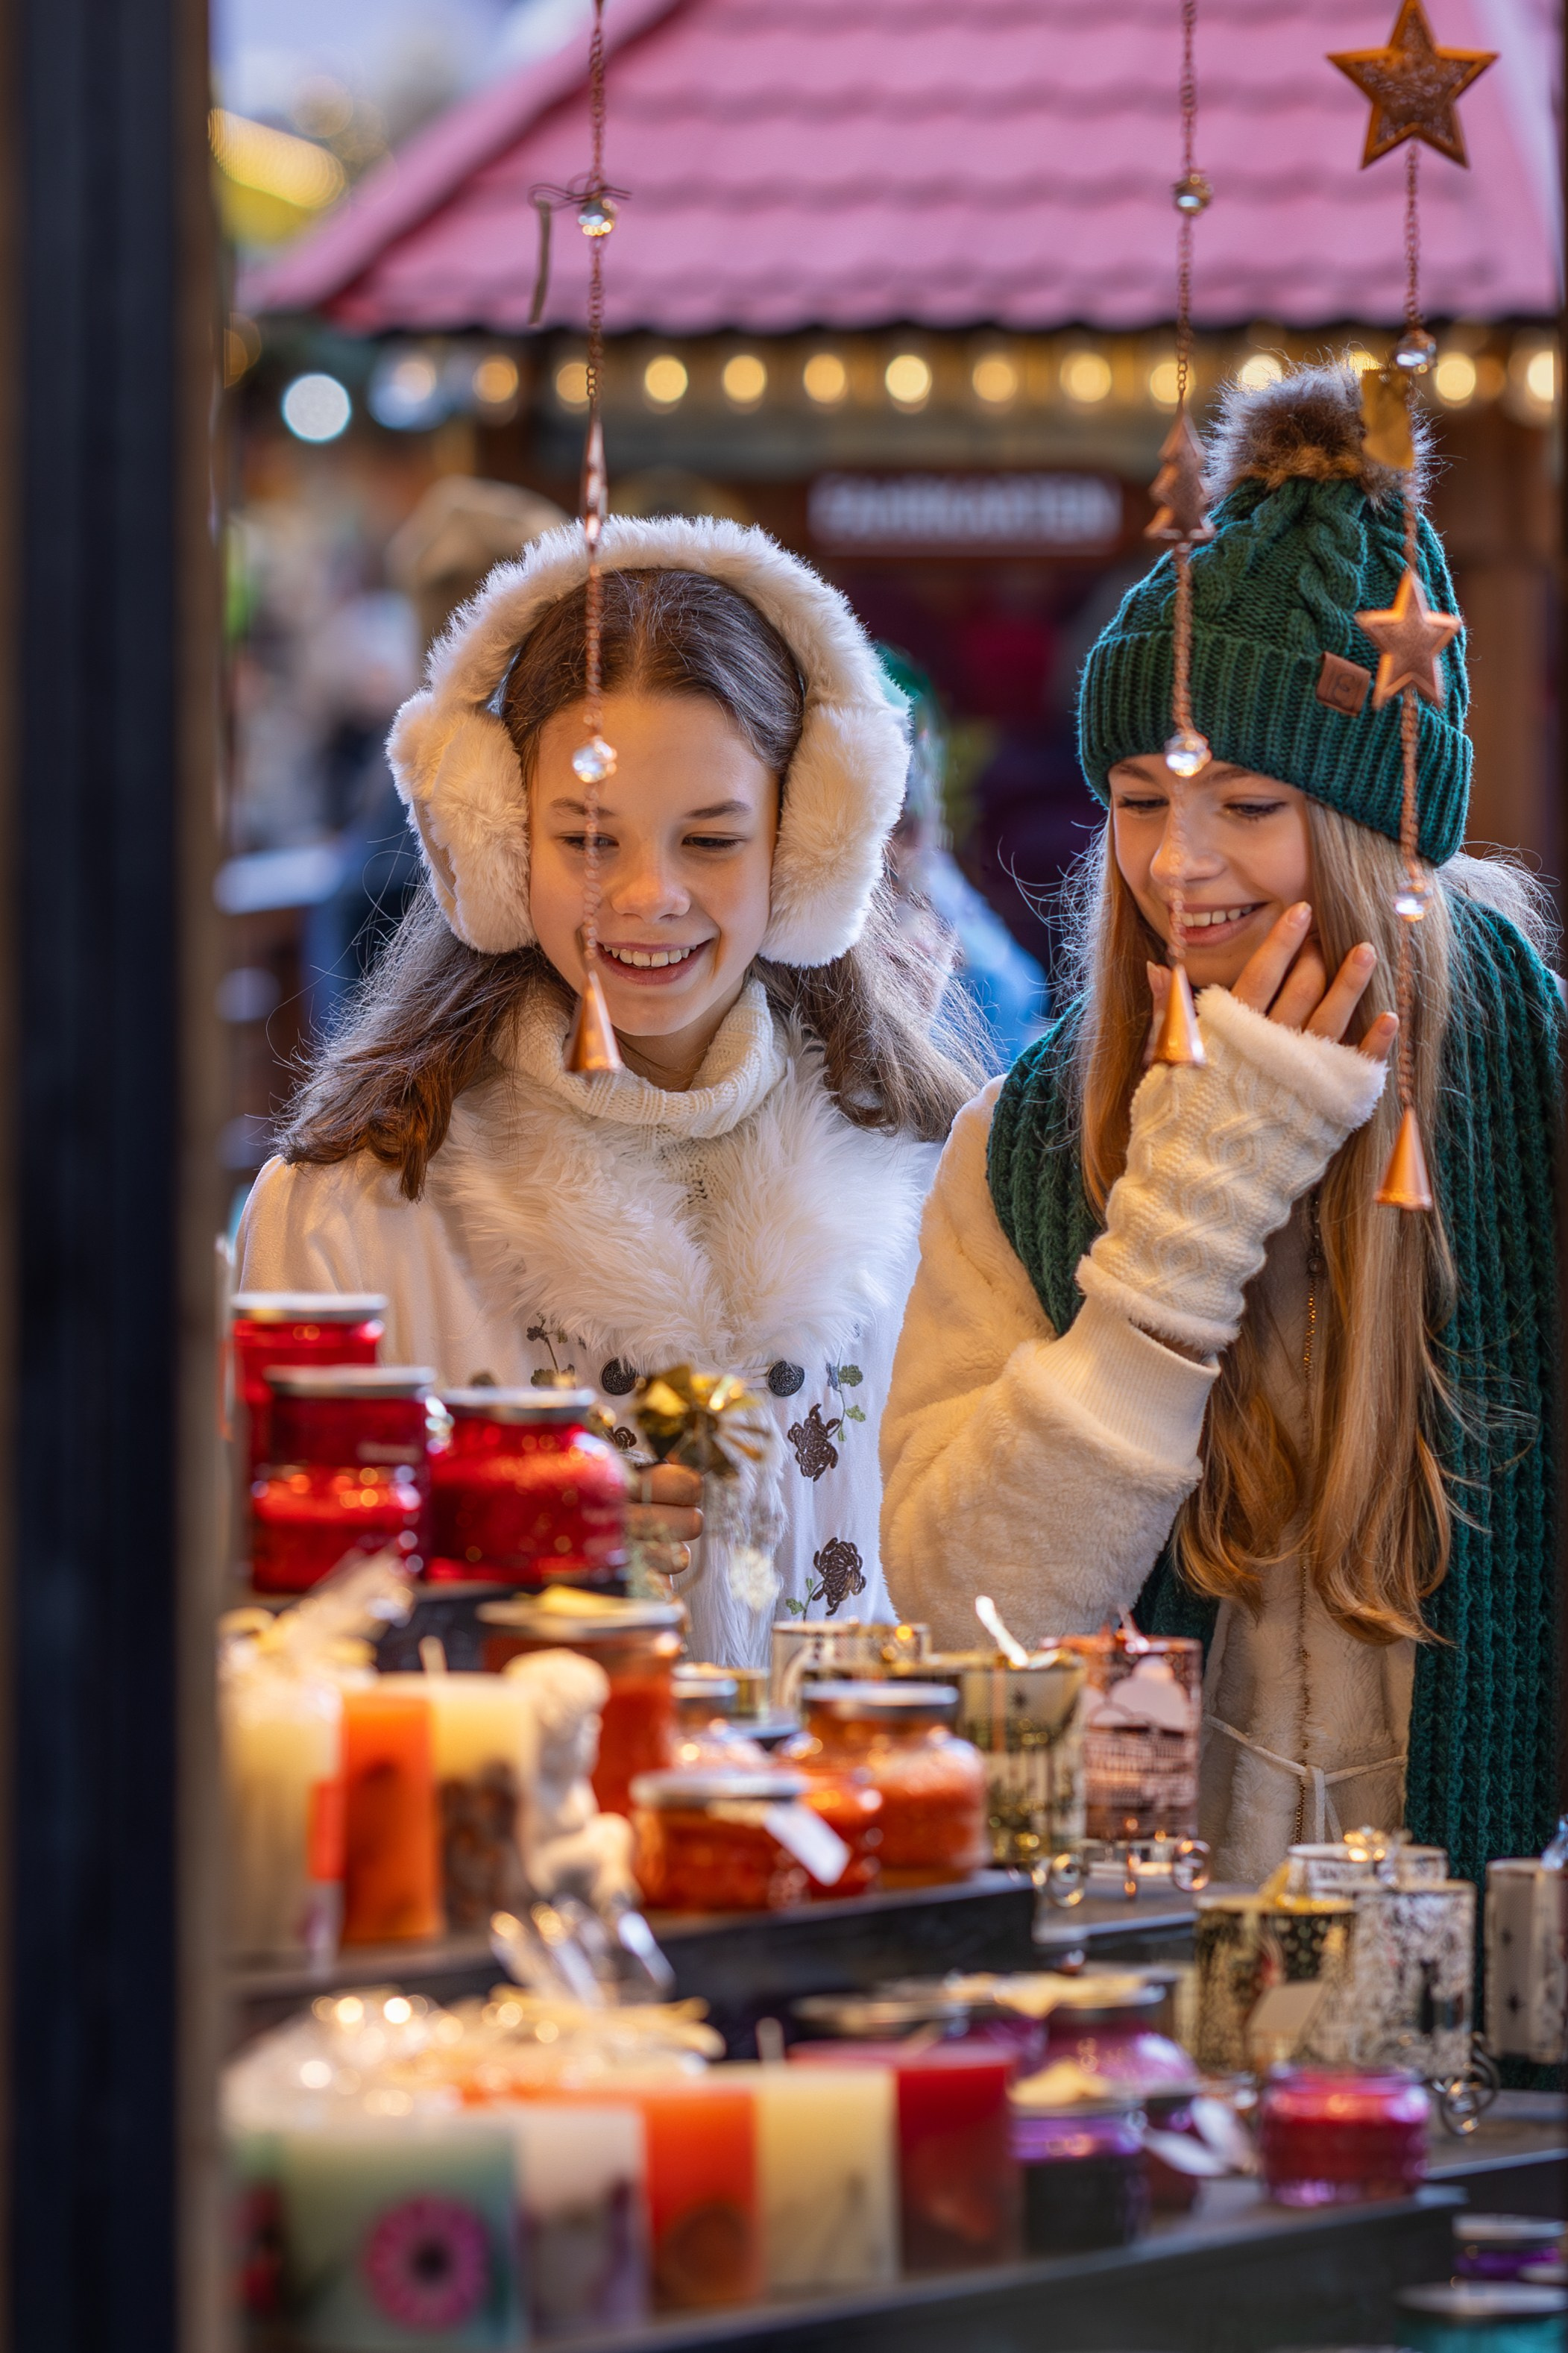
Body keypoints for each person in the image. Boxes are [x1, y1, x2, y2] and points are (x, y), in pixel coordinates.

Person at [881, 365, 1560, 1891]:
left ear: (1368, 814)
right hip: (1137, 2009)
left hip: (1506, 2058)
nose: (1174, 867)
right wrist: (1188, 1205)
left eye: (1244, 804)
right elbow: (964, 1619)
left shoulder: (1546, 1105)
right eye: (1136, 799)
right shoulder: (1025, 1148)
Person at [238, 515, 980, 1665]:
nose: (650, 897)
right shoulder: (352, 1208)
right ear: (492, 842)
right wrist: (486, 1577)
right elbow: (265, 1650)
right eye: (589, 840)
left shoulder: (938, 1184)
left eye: (713, 840)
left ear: (808, 846)